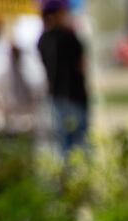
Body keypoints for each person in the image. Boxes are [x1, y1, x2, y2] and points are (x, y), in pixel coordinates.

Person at [36, 0, 88, 154]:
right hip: (75, 97)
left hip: (55, 98)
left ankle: (65, 176)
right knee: (79, 143)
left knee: (62, 145)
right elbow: (81, 65)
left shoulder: (42, 40)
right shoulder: (69, 36)